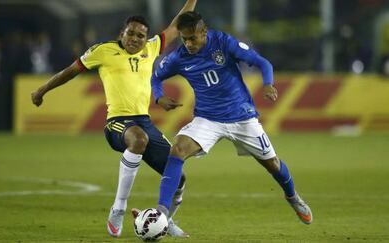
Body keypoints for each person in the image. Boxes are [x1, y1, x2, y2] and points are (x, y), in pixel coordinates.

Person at [31, 0, 197, 238]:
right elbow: (71, 71)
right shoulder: (103, 51)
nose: (135, 39)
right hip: (118, 123)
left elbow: (176, 25)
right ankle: (118, 208)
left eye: (141, 35)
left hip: (145, 122)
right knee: (138, 141)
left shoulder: (151, 48)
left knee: (178, 177)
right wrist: (42, 90)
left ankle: (164, 221)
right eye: (131, 33)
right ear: (122, 33)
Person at [139, 11, 313, 228]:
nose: (188, 44)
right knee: (178, 150)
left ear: (204, 32)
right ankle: (162, 211)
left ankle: (292, 197)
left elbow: (262, 62)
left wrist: (268, 83)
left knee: (273, 164)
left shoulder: (223, 42)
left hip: (242, 117)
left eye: (193, 38)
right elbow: (156, 76)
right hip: (207, 119)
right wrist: (159, 97)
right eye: (184, 39)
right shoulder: (179, 58)